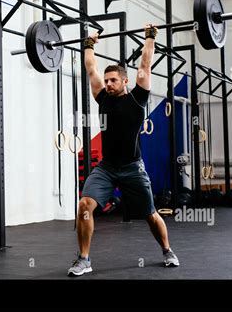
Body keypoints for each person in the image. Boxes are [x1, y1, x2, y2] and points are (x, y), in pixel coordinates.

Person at [68, 24, 179, 277]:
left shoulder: (138, 97)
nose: (107, 84)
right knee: (85, 204)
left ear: (125, 81)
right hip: (106, 168)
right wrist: (88, 44)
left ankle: (167, 250)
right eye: (106, 81)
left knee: (150, 215)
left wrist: (149, 38)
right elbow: (90, 68)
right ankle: (84, 259)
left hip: (132, 168)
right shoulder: (102, 97)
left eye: (113, 80)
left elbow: (145, 64)